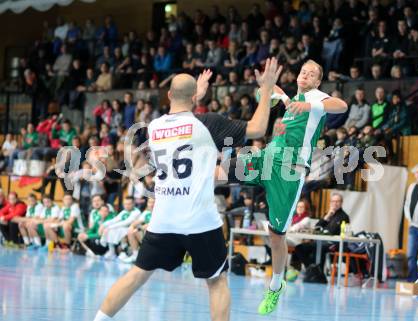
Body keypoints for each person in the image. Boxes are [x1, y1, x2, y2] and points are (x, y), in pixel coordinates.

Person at [93, 58, 282, 321]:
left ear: (169, 94)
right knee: (216, 282)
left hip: (164, 219)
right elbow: (259, 128)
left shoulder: (153, 128)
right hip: (200, 221)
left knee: (137, 274)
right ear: (195, 96)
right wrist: (267, 89)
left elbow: (180, 121)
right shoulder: (209, 123)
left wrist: (193, 98)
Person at [231, 60, 347, 315]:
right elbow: (277, 97)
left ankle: (276, 284)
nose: (306, 75)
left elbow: (342, 105)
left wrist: (309, 104)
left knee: (277, 236)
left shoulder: (316, 98)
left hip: (289, 171)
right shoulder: (293, 99)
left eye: (312, 73)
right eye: (304, 71)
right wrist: (268, 89)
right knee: (222, 170)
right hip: (268, 157)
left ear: (318, 82)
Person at [295, 192, 350, 268]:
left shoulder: (344, 216)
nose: (335, 203)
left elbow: (332, 231)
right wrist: (327, 216)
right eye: (333, 201)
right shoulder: (328, 214)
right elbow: (317, 227)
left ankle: (317, 271)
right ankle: (311, 268)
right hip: (320, 241)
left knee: (318, 248)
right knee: (299, 248)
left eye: (337, 201)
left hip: (333, 243)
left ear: (341, 203)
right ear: (330, 202)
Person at [120, 198, 155, 264]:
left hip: (157, 237)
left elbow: (151, 224)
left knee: (137, 230)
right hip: (147, 236)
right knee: (131, 231)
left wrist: (139, 229)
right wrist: (131, 226)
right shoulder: (146, 213)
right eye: (150, 202)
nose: (151, 204)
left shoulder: (159, 214)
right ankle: (135, 255)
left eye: (153, 202)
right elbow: (137, 222)